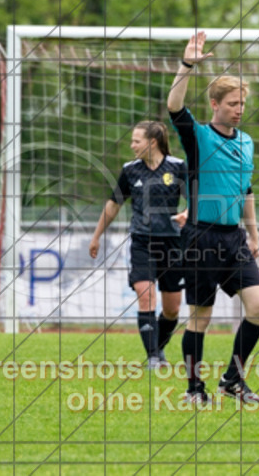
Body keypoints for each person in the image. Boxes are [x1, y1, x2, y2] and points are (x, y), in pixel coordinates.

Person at [167, 31, 259, 405]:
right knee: (201, 318)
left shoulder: (246, 141)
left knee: (258, 307)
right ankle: (195, 390)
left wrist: (254, 235)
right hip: (200, 238)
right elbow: (174, 105)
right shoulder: (198, 137)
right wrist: (187, 64)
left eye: (242, 103)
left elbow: (246, 190)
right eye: (232, 103)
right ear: (215, 104)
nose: (239, 109)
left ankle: (233, 381)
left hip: (234, 239)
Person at [89, 121, 188, 369]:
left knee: (172, 309)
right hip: (142, 242)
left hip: (172, 244)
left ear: (152, 142)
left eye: (136, 141)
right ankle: (153, 358)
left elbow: (196, 199)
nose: (132, 145)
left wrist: (187, 212)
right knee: (146, 297)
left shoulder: (177, 167)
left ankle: (158, 348)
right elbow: (113, 205)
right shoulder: (130, 171)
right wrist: (96, 235)